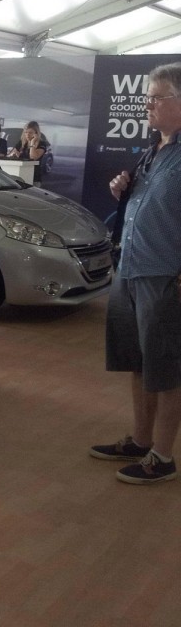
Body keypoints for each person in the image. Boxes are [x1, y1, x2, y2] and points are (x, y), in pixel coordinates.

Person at [89, 62, 181, 484]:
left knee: (167, 368)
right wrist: (122, 189)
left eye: (157, 97)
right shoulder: (153, 150)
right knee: (137, 361)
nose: (147, 104)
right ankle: (141, 441)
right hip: (131, 267)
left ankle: (162, 457)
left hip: (167, 276)